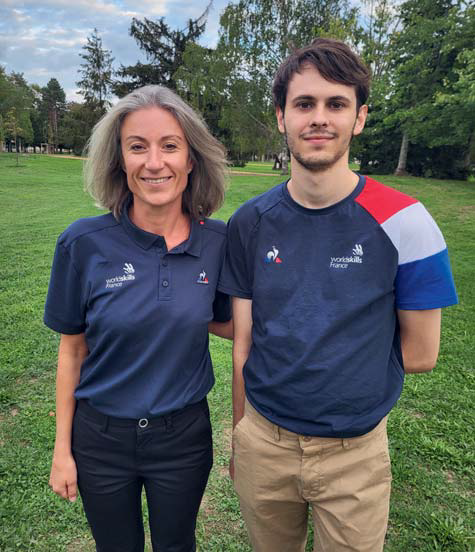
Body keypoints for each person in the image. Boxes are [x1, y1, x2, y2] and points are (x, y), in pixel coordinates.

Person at [218, 38, 458, 552]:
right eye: (304, 104)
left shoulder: (406, 222)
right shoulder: (249, 223)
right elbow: (243, 346)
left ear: (361, 117)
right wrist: (241, 438)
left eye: (336, 104)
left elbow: (420, 354)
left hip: (355, 453)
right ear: (281, 117)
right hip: (265, 441)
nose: (319, 118)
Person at [44, 85, 232, 552]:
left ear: (191, 159)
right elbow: (72, 351)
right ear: (119, 160)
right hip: (100, 439)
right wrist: (61, 451)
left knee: (176, 545)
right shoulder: (82, 243)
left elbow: (228, 322)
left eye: (170, 146)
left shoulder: (220, 243)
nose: (154, 162)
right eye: (137, 147)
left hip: (183, 439)